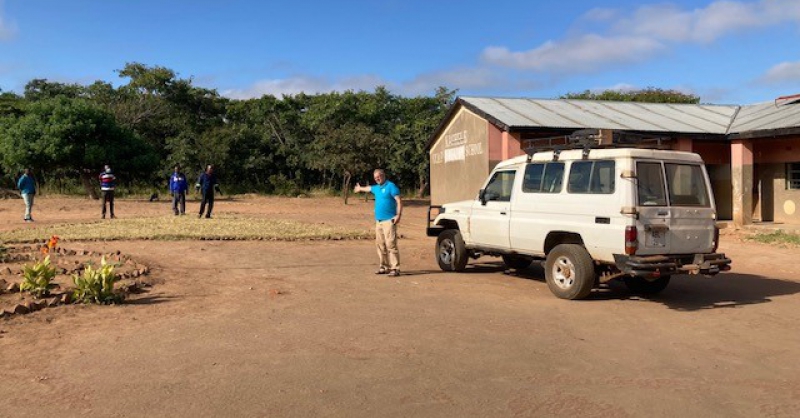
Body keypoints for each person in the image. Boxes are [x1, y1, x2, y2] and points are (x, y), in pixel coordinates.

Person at [354, 169, 403, 277]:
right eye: (375, 177)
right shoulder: (376, 188)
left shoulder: (391, 186)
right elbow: (369, 188)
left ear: (383, 175)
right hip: (379, 221)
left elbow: (398, 200)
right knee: (380, 245)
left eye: (379, 176)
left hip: (389, 221)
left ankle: (395, 268)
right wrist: (360, 188)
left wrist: (398, 215)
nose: (377, 179)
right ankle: (384, 266)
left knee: (391, 244)